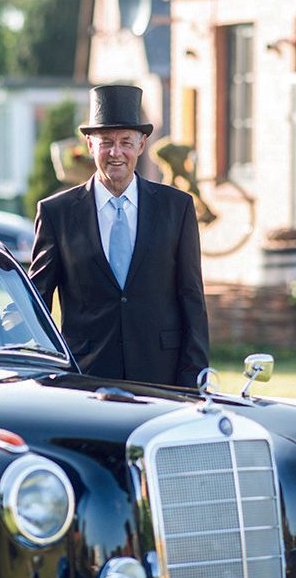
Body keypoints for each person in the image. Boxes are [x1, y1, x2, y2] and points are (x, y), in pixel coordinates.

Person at [29, 84, 209, 387]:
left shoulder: (177, 208)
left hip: (162, 377)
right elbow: (36, 299)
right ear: (90, 145)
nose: (116, 152)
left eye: (126, 142)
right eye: (106, 142)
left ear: (141, 145)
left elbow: (192, 299)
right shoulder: (56, 213)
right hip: (84, 377)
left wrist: (195, 379)